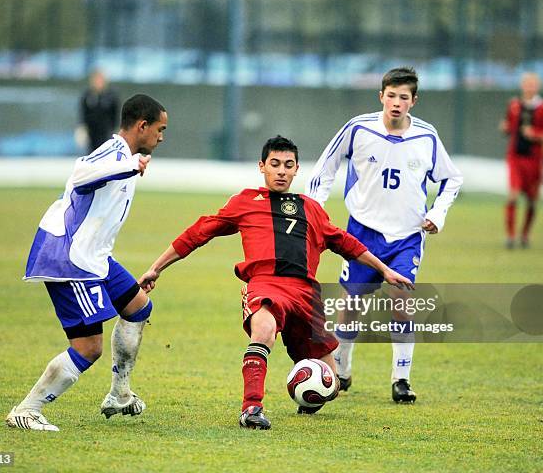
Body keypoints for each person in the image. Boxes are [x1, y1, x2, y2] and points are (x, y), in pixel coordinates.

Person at [138, 135, 413, 430]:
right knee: (264, 330)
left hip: (306, 293)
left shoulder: (312, 208)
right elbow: (199, 232)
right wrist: (156, 267)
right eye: (275, 164)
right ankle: (251, 409)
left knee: (329, 385)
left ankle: (307, 392)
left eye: (288, 165)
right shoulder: (245, 201)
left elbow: (347, 243)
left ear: (296, 170)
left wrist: (384, 270)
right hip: (266, 284)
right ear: (262, 166)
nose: (281, 171)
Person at [5, 94, 168, 432]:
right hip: (71, 259)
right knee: (88, 347)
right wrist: (128, 166)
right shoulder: (114, 154)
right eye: (159, 129)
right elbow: (80, 173)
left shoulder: (126, 156)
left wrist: (131, 164)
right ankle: (27, 409)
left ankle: (119, 394)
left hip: (96, 258)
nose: (161, 137)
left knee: (138, 307)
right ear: (142, 126)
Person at [305, 67, 463, 403]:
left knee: (401, 302)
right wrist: (317, 210)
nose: (396, 103)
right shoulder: (358, 128)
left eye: (403, 97)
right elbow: (324, 168)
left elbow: (452, 179)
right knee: (350, 306)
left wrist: (437, 213)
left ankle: (401, 379)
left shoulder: (426, 137)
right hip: (362, 232)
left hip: (407, 236)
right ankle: (342, 370)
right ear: (381, 96)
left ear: (413, 101)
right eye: (390, 95)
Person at [499, 72, 543, 248]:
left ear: (537, 86)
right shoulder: (514, 104)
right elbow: (509, 126)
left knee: (532, 200)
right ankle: (510, 236)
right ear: (522, 86)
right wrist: (505, 128)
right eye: (527, 84)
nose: (529, 87)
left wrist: (535, 134)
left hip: (535, 160)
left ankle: (524, 235)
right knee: (513, 196)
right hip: (515, 158)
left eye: (533, 84)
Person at [80, 70, 120, 153]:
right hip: (92, 131)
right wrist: (82, 128)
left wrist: (116, 129)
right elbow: (83, 113)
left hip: (106, 131)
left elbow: (115, 114)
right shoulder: (87, 95)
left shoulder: (111, 96)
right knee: (92, 152)